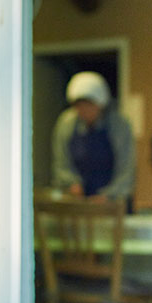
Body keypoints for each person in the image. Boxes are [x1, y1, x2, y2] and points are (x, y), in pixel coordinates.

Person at [51, 71, 135, 205]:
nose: (84, 110)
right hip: (78, 203)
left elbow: (126, 170)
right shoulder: (66, 123)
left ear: (101, 104)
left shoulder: (118, 125)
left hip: (113, 205)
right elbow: (61, 164)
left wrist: (108, 196)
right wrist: (72, 183)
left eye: (89, 105)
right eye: (79, 106)